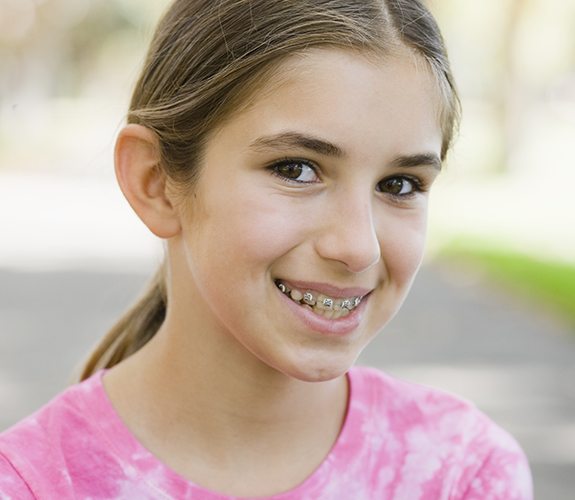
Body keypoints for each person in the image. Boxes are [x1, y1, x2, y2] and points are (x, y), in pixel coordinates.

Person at [0, 0, 532, 498]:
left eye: (399, 184)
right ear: (156, 181)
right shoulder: (31, 483)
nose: (357, 247)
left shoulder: (464, 474)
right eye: (296, 169)